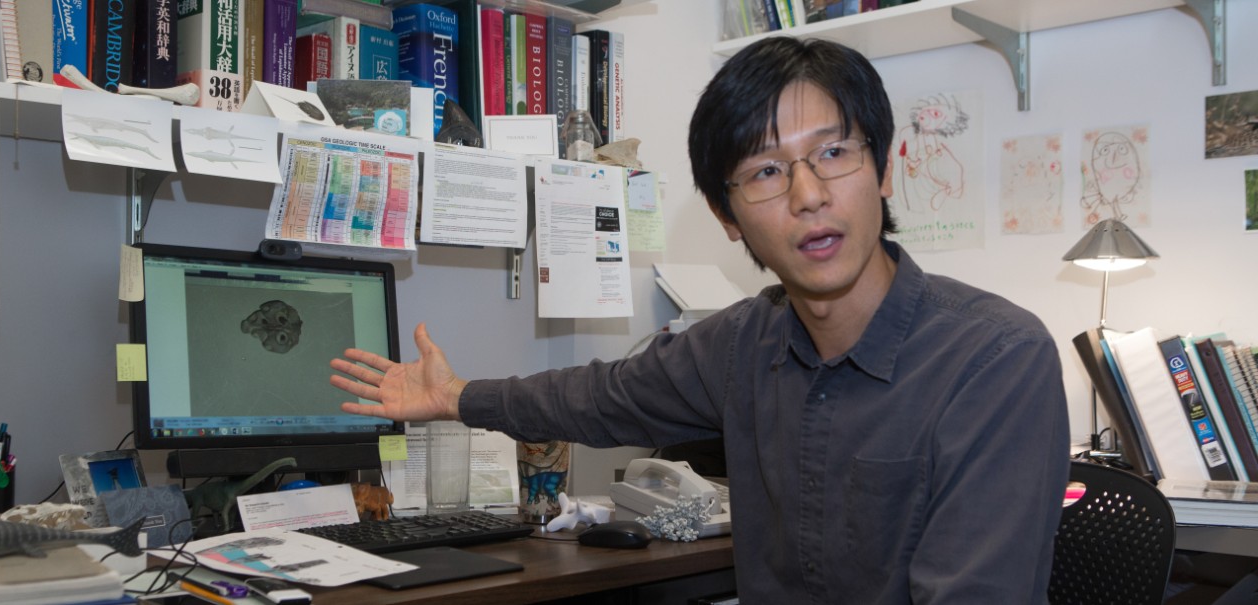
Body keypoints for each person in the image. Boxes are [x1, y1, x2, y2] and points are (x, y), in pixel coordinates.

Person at [331, 36, 1070, 604]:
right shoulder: (743, 343)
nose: (808, 194)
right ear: (727, 217)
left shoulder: (994, 360)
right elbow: (596, 397)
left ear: (885, 169)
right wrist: (456, 397)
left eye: (833, 152)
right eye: (766, 171)